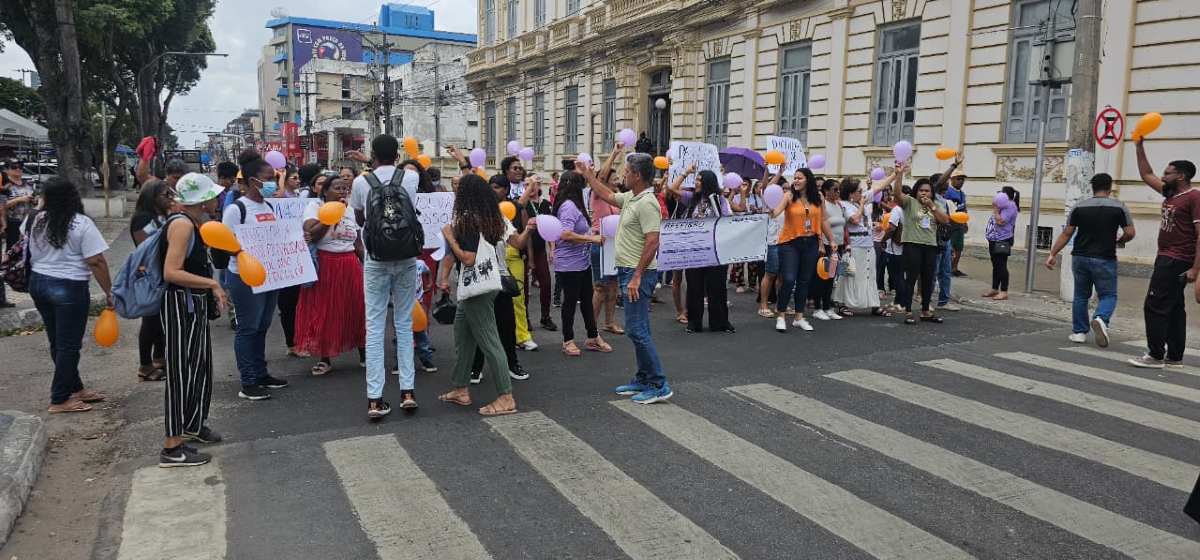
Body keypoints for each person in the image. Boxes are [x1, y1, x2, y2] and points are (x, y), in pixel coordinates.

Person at [578, 152, 672, 403]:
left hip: (637, 273)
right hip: (628, 271)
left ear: (638, 176)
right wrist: (588, 175)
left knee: (636, 329)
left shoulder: (647, 203)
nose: (623, 176)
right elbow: (607, 194)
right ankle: (643, 378)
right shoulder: (632, 197)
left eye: (627, 172)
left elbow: (653, 242)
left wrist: (637, 277)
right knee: (640, 328)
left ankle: (659, 383)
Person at [436, 173, 530, 416]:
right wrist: (529, 229)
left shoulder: (467, 220)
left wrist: (449, 237)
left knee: (489, 340)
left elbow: (467, 258)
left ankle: (506, 396)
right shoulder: (495, 217)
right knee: (463, 336)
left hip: (476, 287)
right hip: (487, 284)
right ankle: (460, 387)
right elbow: (518, 243)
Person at [158, 172, 229, 466]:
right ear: (202, 200)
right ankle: (172, 446)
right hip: (179, 303)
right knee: (179, 372)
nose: (217, 199)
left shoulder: (194, 224)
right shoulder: (182, 226)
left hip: (192, 303)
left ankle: (193, 425)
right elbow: (171, 272)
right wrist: (212, 285)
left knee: (199, 366)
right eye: (213, 196)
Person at [26, 177, 112, 413]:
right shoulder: (81, 223)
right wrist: (109, 291)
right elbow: (96, 260)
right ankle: (59, 398)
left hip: (38, 282)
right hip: (69, 287)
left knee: (58, 342)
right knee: (69, 345)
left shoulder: (36, 219)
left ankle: (75, 387)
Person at [350, 135, 421, 417]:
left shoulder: (360, 183)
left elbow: (360, 219)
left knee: (375, 325)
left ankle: (375, 399)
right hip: (406, 257)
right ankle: (407, 391)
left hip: (376, 259)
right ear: (397, 153)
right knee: (404, 323)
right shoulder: (411, 178)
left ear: (372, 154)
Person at [1128, 138, 1199, 368]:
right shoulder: (1171, 194)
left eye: (1168, 173)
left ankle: (1156, 355)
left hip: (1177, 259)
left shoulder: (1193, 197)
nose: (1163, 176)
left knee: (1154, 305)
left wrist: (1195, 268)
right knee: (1175, 308)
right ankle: (1175, 357)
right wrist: (1139, 147)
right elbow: (1146, 174)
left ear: (1181, 176)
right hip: (1166, 256)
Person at [224, 151, 288, 401]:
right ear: (252, 181)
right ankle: (248, 380)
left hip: (269, 276)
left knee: (262, 326)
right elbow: (226, 244)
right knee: (248, 328)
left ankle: (261, 374)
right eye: (268, 178)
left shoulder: (269, 205)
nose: (273, 182)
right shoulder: (236, 209)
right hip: (243, 277)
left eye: (274, 177)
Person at [1045, 173, 1135, 347]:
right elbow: (1130, 232)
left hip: (1080, 257)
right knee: (1108, 294)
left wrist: (1052, 254)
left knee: (1080, 295)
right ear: (1110, 188)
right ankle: (1101, 318)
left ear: (1092, 188)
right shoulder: (1119, 207)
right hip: (1105, 258)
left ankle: (1079, 332)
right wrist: (1120, 241)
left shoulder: (1079, 207)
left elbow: (1067, 233)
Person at [295, 176, 366, 376]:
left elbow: (357, 242)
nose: (343, 191)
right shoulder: (314, 207)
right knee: (325, 311)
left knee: (356, 308)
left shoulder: (350, 211)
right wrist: (330, 217)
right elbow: (311, 234)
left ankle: (364, 353)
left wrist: (366, 264)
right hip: (326, 264)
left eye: (345, 188)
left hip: (350, 264)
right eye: (337, 188)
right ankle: (325, 358)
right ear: (324, 191)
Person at [468, 174, 533, 382]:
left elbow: (518, 243)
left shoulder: (500, 218)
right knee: (479, 325)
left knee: (506, 325)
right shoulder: (467, 218)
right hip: (478, 279)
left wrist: (529, 230)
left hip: (500, 278)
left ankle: (512, 364)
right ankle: (475, 368)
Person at [666, 166, 736, 333]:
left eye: (698, 180)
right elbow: (672, 189)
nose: (695, 183)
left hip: (715, 250)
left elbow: (726, 221)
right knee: (694, 287)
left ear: (707, 183)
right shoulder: (691, 199)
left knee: (716, 286)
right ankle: (694, 323)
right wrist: (686, 173)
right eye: (696, 179)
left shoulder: (720, 200)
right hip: (694, 250)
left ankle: (719, 323)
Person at [769, 168, 837, 333]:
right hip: (790, 243)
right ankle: (781, 315)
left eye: (800, 178)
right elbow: (776, 212)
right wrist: (771, 208)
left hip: (811, 243)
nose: (796, 181)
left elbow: (823, 221)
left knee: (805, 280)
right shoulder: (789, 196)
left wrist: (832, 239)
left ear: (808, 180)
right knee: (790, 279)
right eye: (795, 178)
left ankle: (799, 317)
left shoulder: (818, 198)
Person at [552, 170, 611, 356]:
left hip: (581, 262)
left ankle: (593, 337)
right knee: (570, 303)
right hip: (569, 264)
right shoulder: (569, 206)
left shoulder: (575, 204)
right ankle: (567, 340)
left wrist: (589, 236)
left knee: (586, 300)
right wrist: (591, 239)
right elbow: (565, 234)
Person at [129, 179, 176, 381]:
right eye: (166, 195)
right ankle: (145, 365)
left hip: (163, 272)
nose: (170, 198)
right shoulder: (142, 218)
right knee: (150, 320)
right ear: (153, 197)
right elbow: (145, 247)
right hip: (149, 275)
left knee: (162, 320)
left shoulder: (163, 216)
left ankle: (160, 358)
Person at [893, 165, 951, 324]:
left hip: (930, 245)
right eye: (921, 190)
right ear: (916, 191)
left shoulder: (934, 205)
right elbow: (897, 194)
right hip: (912, 244)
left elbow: (945, 220)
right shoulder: (910, 202)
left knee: (928, 278)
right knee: (911, 278)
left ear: (932, 193)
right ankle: (908, 310)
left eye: (927, 191)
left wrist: (931, 206)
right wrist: (899, 174)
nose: (924, 193)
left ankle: (925, 310)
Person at [834, 177, 890, 316]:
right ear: (851, 193)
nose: (862, 193)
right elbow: (855, 219)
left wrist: (896, 173)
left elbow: (878, 187)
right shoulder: (843, 204)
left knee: (870, 275)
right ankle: (842, 304)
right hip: (852, 246)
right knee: (848, 274)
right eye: (859, 191)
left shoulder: (861, 200)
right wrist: (862, 204)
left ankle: (874, 304)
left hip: (868, 244)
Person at [590, 148, 625, 334]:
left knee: (613, 286)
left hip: (614, 244)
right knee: (601, 287)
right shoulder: (597, 194)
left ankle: (610, 322)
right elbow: (601, 177)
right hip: (600, 242)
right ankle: (592, 326)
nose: (617, 180)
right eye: (614, 178)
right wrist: (614, 154)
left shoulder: (617, 198)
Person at [811, 179, 845, 320]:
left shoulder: (838, 205)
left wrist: (845, 244)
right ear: (826, 191)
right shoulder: (822, 204)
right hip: (825, 245)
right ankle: (817, 308)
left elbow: (844, 227)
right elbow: (818, 225)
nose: (838, 192)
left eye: (838, 190)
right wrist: (820, 244)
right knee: (821, 277)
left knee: (831, 277)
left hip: (838, 245)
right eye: (835, 189)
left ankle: (828, 307)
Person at [982, 186, 1020, 302]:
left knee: (1001, 265)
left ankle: (1004, 291)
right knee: (996, 265)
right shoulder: (1003, 205)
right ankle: (994, 288)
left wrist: (995, 209)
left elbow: (1000, 221)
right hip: (994, 239)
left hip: (1002, 240)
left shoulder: (1011, 207)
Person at [758, 174, 786, 318]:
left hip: (787, 243)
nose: (787, 191)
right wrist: (778, 172)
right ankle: (763, 305)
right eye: (784, 189)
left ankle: (780, 306)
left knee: (783, 276)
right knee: (770, 274)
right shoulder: (770, 203)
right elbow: (764, 188)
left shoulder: (788, 204)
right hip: (773, 243)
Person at [946, 164, 969, 277]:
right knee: (950, 247)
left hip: (960, 225)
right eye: (958, 179)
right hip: (950, 224)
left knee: (959, 247)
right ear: (952, 179)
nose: (961, 181)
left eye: (962, 179)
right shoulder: (948, 192)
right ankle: (947, 267)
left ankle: (955, 268)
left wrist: (965, 222)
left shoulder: (962, 194)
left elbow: (964, 207)